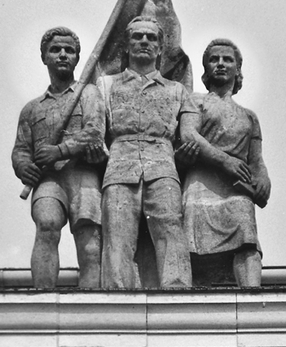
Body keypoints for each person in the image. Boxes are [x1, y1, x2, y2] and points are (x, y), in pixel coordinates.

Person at [97, 16, 199, 289]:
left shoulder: (178, 90)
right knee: (117, 235)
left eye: (151, 37)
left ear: (160, 48)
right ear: (127, 46)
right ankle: (117, 297)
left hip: (162, 166)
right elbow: (95, 131)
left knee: (170, 229)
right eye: (137, 36)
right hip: (120, 165)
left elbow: (190, 134)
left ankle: (177, 293)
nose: (144, 41)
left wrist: (190, 148)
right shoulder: (105, 86)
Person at [12, 27, 105, 289]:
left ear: (77, 58)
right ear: (44, 57)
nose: (63, 55)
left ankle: (92, 302)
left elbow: (95, 131)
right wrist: (24, 167)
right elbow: (21, 148)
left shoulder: (88, 94)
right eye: (56, 50)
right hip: (49, 179)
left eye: (69, 50)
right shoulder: (32, 108)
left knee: (89, 240)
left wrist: (61, 150)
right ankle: (43, 295)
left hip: (82, 175)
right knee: (47, 224)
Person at [180, 38, 271, 288]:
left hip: (236, 190)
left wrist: (263, 178)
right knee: (191, 247)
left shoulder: (249, 117)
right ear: (206, 68)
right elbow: (189, 135)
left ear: (237, 69)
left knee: (247, 239)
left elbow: (256, 160)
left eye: (227, 60)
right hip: (200, 186)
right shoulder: (196, 102)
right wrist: (224, 160)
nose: (220, 64)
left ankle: (252, 295)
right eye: (214, 59)